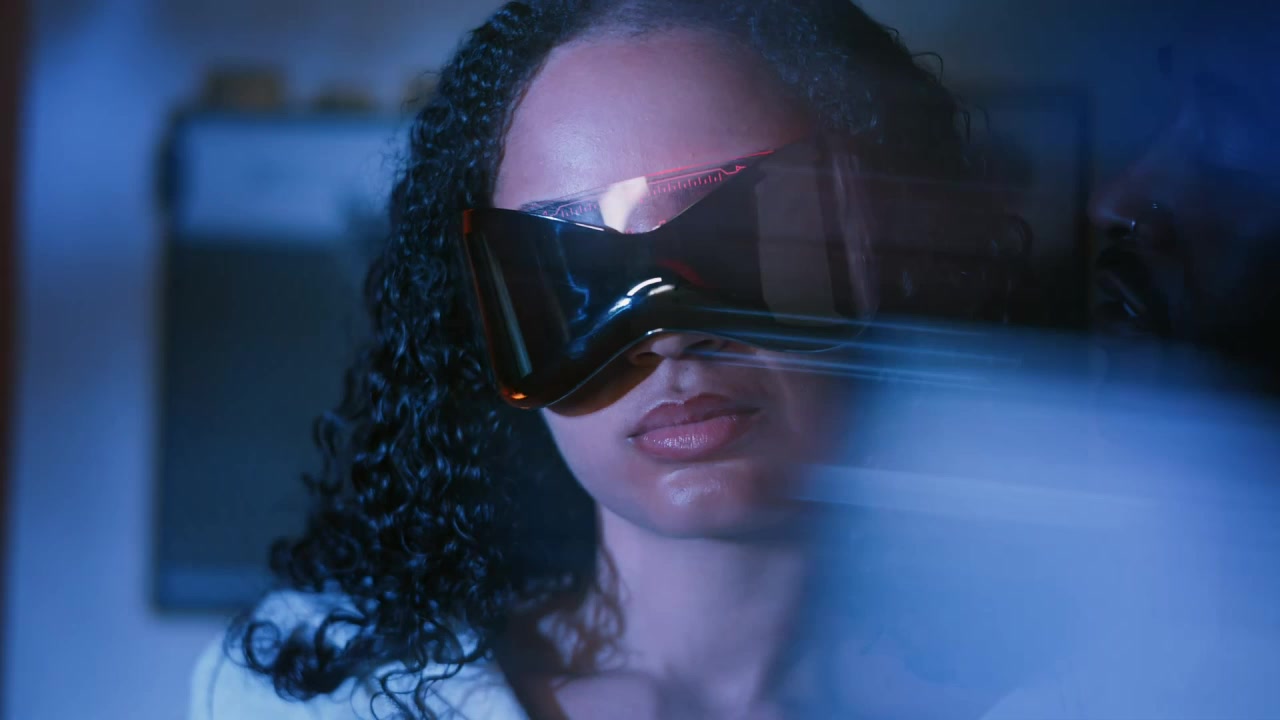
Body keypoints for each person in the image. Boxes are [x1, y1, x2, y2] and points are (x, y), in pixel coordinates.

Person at [188, 1, 1026, 719]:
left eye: (741, 245)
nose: (668, 338)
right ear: (482, 326)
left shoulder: (1072, 695)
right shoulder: (325, 696)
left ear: (887, 253)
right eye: (576, 276)